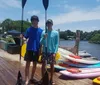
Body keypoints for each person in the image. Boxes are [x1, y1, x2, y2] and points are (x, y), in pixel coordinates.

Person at [21, 15, 43, 85]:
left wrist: (40, 50)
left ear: (38, 21)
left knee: (35, 65)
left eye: (35, 20)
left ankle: (32, 77)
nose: (34, 21)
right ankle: (27, 79)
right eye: (33, 20)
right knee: (27, 65)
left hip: (37, 49)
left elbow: (42, 42)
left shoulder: (41, 31)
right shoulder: (29, 29)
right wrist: (22, 38)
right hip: (29, 48)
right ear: (31, 21)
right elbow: (25, 38)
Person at [40, 19, 59, 85]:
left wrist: (55, 52)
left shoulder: (56, 33)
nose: (49, 24)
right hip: (45, 51)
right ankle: (43, 78)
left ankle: (51, 79)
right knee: (43, 65)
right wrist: (44, 37)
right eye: (47, 23)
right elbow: (41, 42)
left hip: (52, 52)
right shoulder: (43, 32)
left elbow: (57, 43)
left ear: (52, 24)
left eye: (50, 23)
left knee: (52, 66)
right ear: (46, 24)